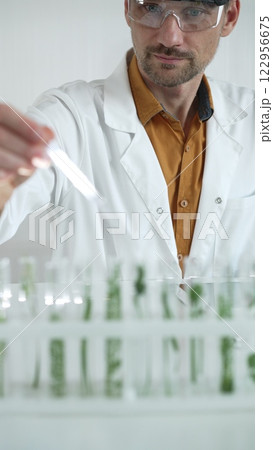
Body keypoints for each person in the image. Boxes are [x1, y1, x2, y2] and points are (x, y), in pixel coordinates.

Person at [0, 0, 254, 280]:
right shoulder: (70, 118)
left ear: (229, 17)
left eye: (193, 12)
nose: (169, 37)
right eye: (151, 8)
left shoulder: (258, 120)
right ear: (128, 9)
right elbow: (8, 207)